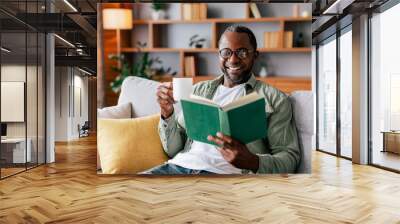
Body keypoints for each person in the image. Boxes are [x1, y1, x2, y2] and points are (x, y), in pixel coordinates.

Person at [142, 25, 300, 174]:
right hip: (178, 167)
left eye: (242, 52)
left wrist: (253, 162)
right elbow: (173, 149)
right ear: (219, 55)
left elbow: (289, 159)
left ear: (255, 55)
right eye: (226, 52)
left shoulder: (275, 99)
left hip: (223, 177)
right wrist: (167, 113)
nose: (233, 60)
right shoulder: (199, 90)